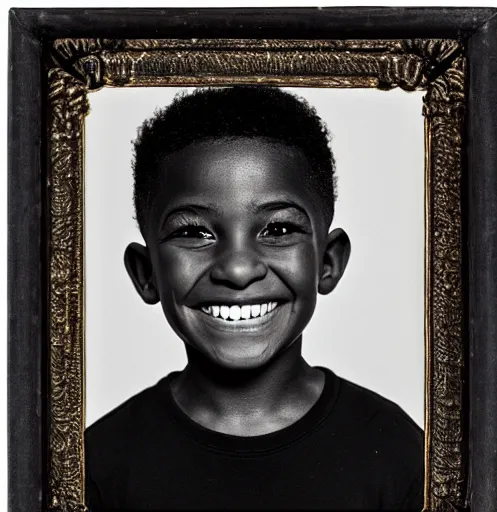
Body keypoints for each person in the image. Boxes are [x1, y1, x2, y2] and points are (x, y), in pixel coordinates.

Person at [85, 86, 424, 510]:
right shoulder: (99, 465)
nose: (239, 269)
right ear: (146, 272)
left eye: (278, 230)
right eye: (194, 232)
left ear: (327, 262)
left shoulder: (397, 452)